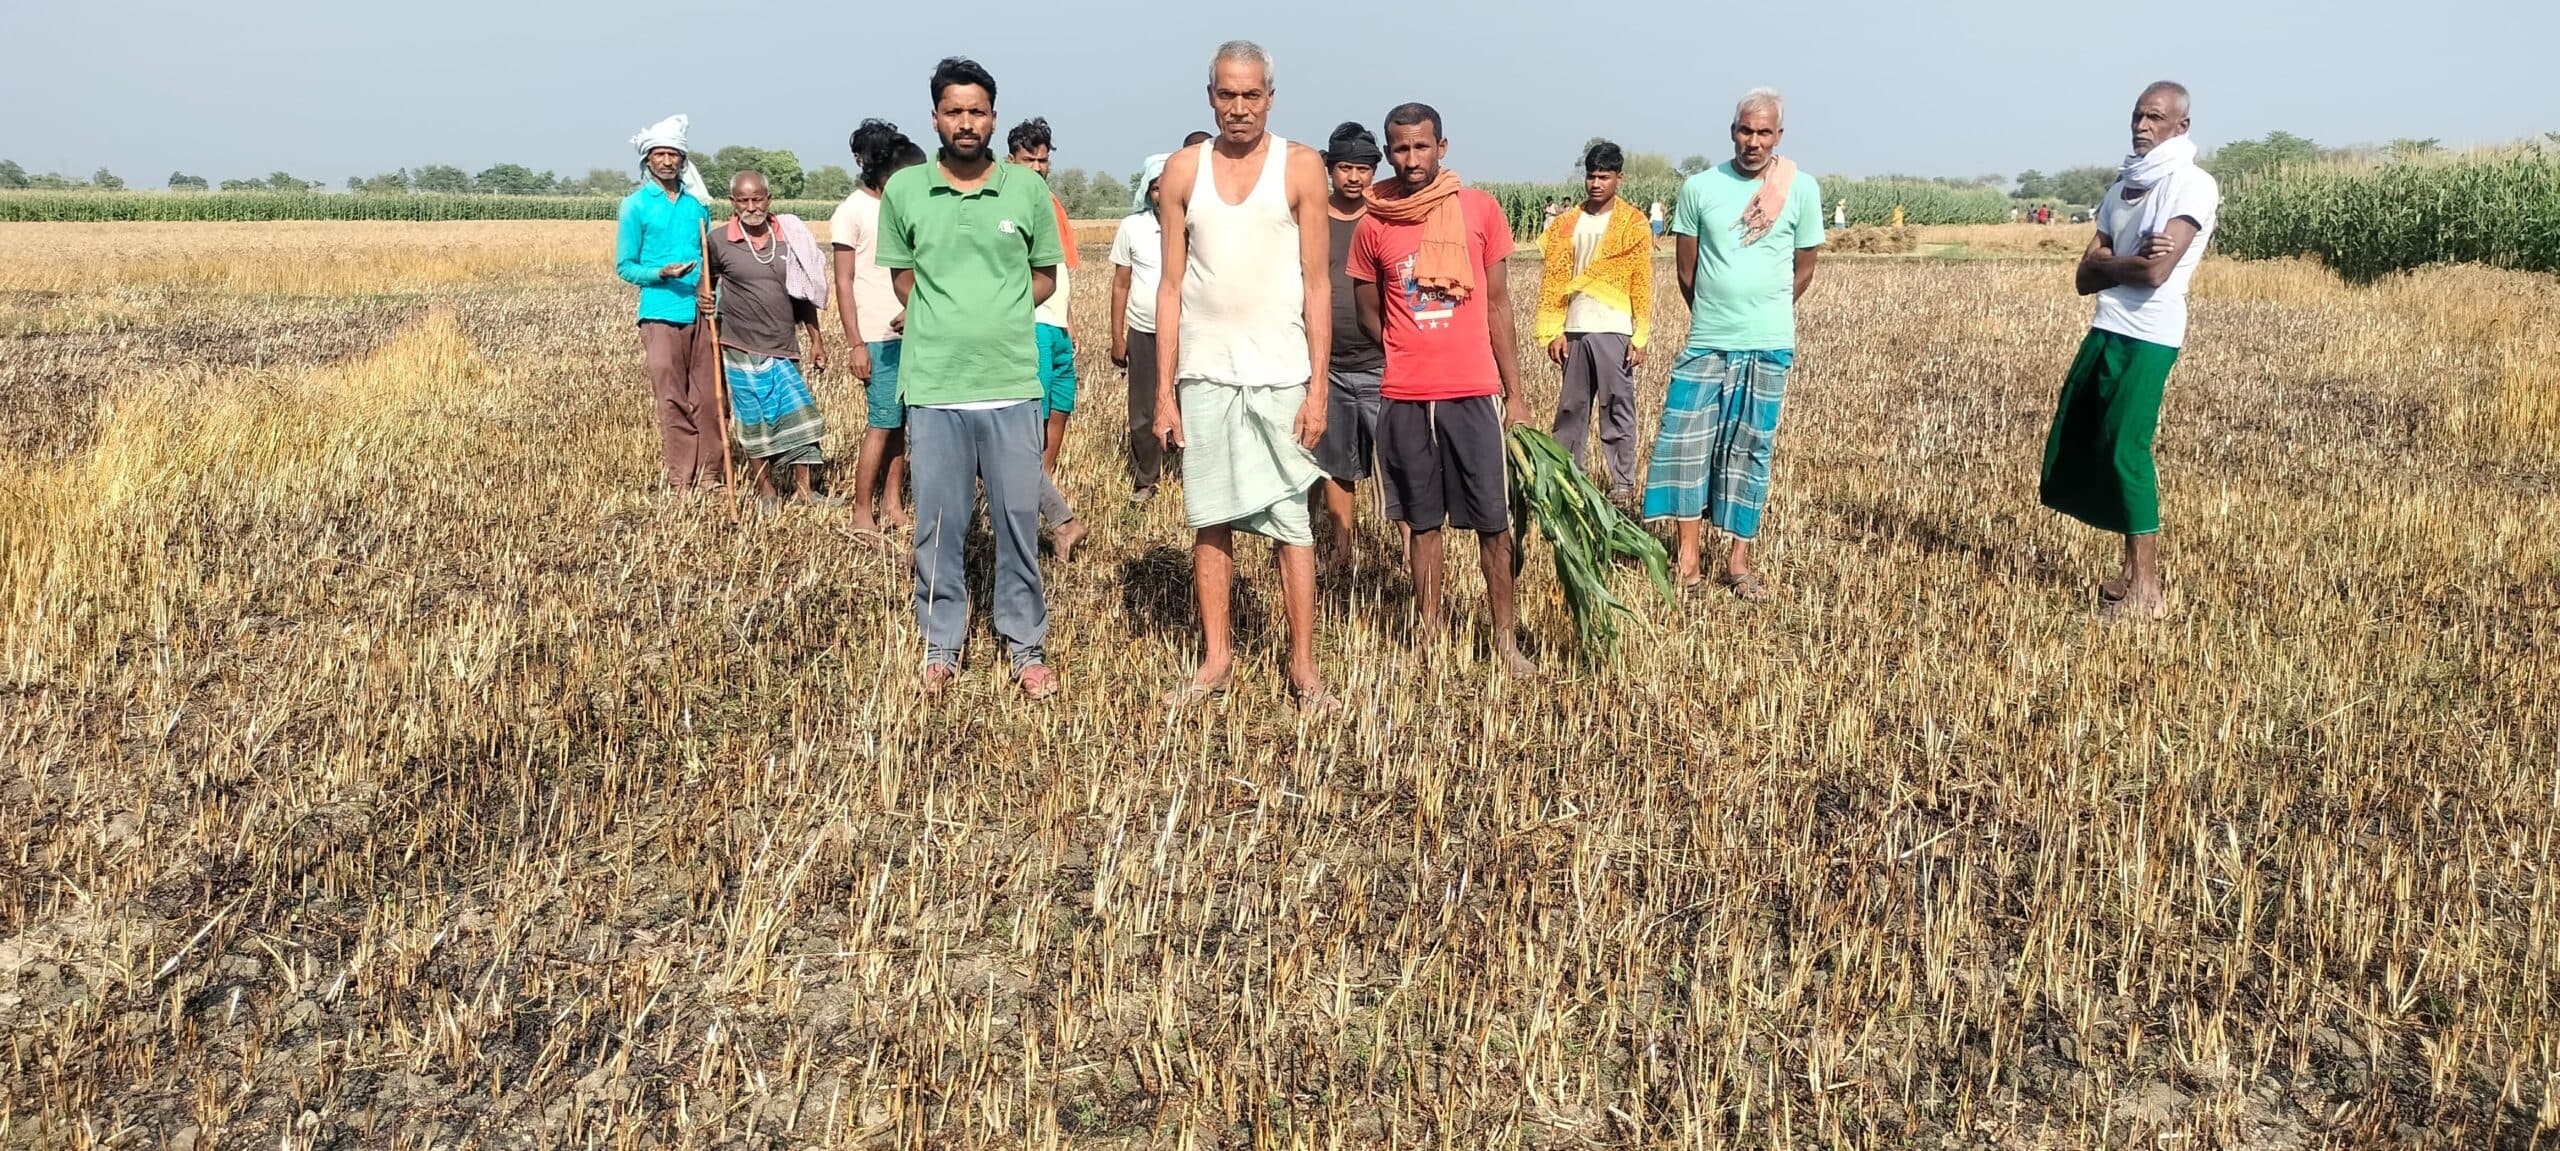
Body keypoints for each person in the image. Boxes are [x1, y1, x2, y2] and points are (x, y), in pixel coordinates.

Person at [1151, 40, 1338, 712]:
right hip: (1205, 373)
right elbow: (1170, 285)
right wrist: (1163, 391)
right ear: (1210, 97)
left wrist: (1319, 386)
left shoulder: (1301, 167)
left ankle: (1304, 668)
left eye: (1250, 95)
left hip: (1282, 371)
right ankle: (1216, 658)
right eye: (1226, 95)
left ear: (1269, 98)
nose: (1238, 108)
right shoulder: (1181, 171)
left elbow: (1318, 283)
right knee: (1210, 517)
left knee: (1292, 520)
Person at [876, 57, 1067, 698]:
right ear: (935, 117)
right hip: (933, 385)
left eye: (977, 110)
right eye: (953, 111)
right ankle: (942, 644)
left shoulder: (1026, 191)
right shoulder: (905, 192)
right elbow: (904, 278)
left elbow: (1044, 275)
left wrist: (996, 312)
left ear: (993, 116)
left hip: (1012, 381)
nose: (966, 122)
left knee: (1017, 519)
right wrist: (947, 319)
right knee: (939, 522)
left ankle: (1024, 644)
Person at [1348, 102, 1535, 677]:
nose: (1411, 159)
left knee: (1492, 522)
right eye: (1400, 149)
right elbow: (1366, 315)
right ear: (1388, 151)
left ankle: (1504, 639)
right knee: (1421, 525)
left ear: (1443, 147)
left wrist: (1517, 396)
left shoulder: (1478, 211)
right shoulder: (1373, 223)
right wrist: (1411, 352)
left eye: (1421, 147)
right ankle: (1427, 635)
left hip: (1473, 393)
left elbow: (1499, 305)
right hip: (1405, 396)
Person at [2041, 81, 2219, 618]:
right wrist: (2126, 261)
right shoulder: (2123, 186)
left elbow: (2157, 272)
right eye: (2138, 115)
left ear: (2180, 127)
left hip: (2152, 335)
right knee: (2086, 437)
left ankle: (2149, 592)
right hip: (2107, 326)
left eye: (2156, 118)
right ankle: (2127, 575)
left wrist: (2115, 264)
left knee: (2126, 451)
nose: (2143, 126)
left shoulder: (2192, 185)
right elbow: (2083, 275)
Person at [1639, 87, 1824, 601]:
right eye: (1746, 130)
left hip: (1769, 343)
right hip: (1707, 340)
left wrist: (1767, 310)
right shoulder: (1699, 188)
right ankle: (1689, 563)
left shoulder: (1801, 189)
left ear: (1779, 137)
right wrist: (1716, 312)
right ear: (1732, 132)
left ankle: (1738, 563)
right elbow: (1685, 268)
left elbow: (1804, 265)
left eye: (1765, 132)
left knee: (1750, 448)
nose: (1754, 141)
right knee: (1685, 445)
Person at [702, 170, 834, 506]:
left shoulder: (790, 237)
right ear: (733, 203)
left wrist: (816, 340)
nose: (751, 206)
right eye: (743, 200)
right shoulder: (718, 241)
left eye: (757, 199)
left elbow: (802, 295)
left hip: (783, 344)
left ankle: (805, 490)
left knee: (800, 417)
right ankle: (767, 492)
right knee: (753, 421)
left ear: (768, 198)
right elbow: (707, 286)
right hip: (739, 344)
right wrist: (704, 300)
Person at [1535, 140, 1653, 504]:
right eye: (1591, 176)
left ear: (1619, 177)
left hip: (1615, 328)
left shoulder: (1633, 223)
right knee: (1571, 407)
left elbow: (1641, 280)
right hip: (1575, 327)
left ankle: (1622, 482)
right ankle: (1567, 476)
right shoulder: (1566, 224)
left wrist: (1641, 334)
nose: (1596, 183)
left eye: (1604, 176)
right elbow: (1554, 279)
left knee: (1617, 405)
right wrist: (1554, 330)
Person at [831, 121, 928, 539]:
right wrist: (855, 343)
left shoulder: (901, 206)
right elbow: (843, 281)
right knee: (881, 422)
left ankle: (892, 505)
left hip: (915, 330)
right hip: (877, 335)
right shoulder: (851, 211)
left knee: (900, 423)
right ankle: (860, 512)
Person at [615, 114, 718, 492]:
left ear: (683, 161)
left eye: (674, 155)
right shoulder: (635, 206)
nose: (668, 161)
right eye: (660, 154)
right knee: (671, 396)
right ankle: (681, 477)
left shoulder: (698, 207)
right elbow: (625, 266)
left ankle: (710, 474)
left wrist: (712, 292)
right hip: (659, 311)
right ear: (648, 161)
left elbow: (710, 259)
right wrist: (661, 273)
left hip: (701, 311)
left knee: (708, 397)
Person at [1005, 118, 1090, 561]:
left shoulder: (1049, 202)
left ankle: (1045, 503)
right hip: (1028, 325)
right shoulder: (1007, 203)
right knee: (1026, 423)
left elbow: (1054, 270)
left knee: (1060, 411)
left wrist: (1068, 319)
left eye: (1043, 160)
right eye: (1028, 159)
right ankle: (1047, 517)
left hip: (1055, 326)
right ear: (1011, 159)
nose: (1037, 167)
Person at [1310, 121, 1388, 569]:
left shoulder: (1384, 217)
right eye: (1344, 168)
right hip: (1328, 364)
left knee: (1395, 463)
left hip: (1382, 361)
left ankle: (1411, 551)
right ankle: (1342, 551)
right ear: (1329, 169)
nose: (1354, 177)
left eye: (1363, 168)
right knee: (1336, 464)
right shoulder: (1312, 218)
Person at [1110, 154, 1171, 501]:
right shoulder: (1133, 227)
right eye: (1156, 187)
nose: (1163, 194)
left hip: (1187, 331)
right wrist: (1117, 336)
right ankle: (1147, 479)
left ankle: (1189, 475)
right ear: (1148, 193)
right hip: (1144, 329)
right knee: (1143, 409)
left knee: (1191, 403)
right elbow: (1121, 284)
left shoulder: (1192, 226)